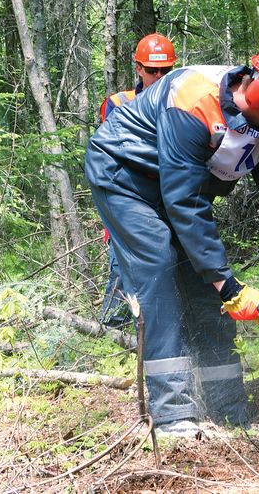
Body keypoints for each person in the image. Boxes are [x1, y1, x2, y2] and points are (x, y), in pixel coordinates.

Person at [85, 39, 259, 438]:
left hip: (174, 188)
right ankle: (172, 415)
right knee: (160, 271)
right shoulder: (194, 101)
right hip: (126, 177)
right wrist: (227, 283)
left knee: (206, 294)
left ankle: (226, 410)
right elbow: (186, 205)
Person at [98, 33, 177, 328]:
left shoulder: (181, 104)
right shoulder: (119, 103)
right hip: (129, 202)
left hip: (168, 200)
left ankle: (156, 332)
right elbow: (116, 155)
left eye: (165, 70)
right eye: (152, 70)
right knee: (123, 271)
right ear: (139, 69)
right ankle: (112, 334)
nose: (158, 76)